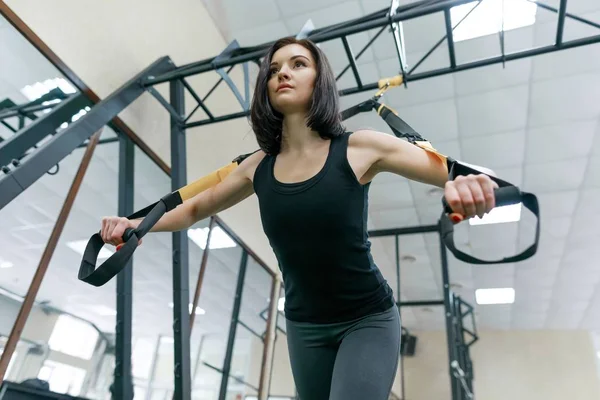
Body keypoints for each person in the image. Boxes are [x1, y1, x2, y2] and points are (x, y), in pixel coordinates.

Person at [100, 37, 498, 400]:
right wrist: (138, 226)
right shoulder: (256, 167)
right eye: (273, 70)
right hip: (304, 326)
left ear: (319, 80)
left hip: (367, 318)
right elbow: (193, 209)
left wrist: (472, 184)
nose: (282, 73)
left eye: (297, 64)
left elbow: (459, 170)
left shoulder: (359, 146)